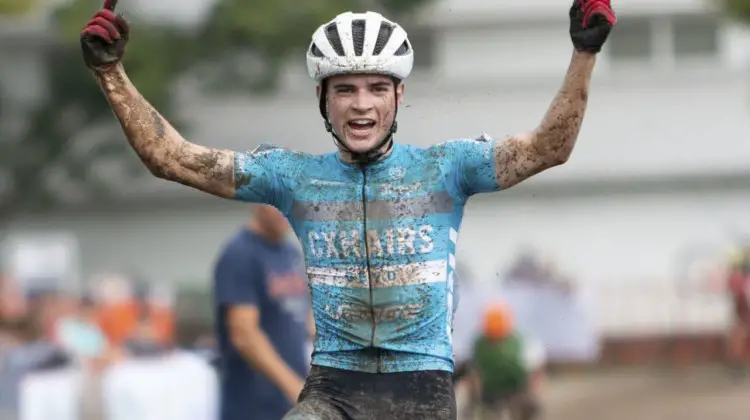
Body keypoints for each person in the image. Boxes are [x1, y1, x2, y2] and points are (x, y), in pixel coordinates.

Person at [78, 0, 616, 417]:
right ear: (323, 100)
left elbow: (551, 147)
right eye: (346, 89)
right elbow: (171, 159)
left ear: (399, 97)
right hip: (332, 387)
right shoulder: (291, 177)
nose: (361, 104)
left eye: (377, 88)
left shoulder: (449, 166)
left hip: (421, 390)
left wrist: (584, 53)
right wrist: (111, 73)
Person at [212, 205, 313, 420]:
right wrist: (295, 388)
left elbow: (305, 320)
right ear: (255, 199)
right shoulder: (240, 254)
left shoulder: (290, 251)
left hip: (292, 402)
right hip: (253, 406)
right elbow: (245, 336)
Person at [469, 303, 545, 420]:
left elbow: (535, 371)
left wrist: (530, 393)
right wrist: (474, 397)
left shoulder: (521, 341)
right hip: (490, 392)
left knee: (531, 406)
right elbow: (474, 371)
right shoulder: (479, 343)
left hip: (516, 391)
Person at [725, 246, 750, 377]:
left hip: (741, 312)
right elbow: (739, 299)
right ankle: (736, 367)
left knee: (737, 338)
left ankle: (737, 367)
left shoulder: (739, 279)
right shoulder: (738, 279)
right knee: (737, 338)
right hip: (741, 313)